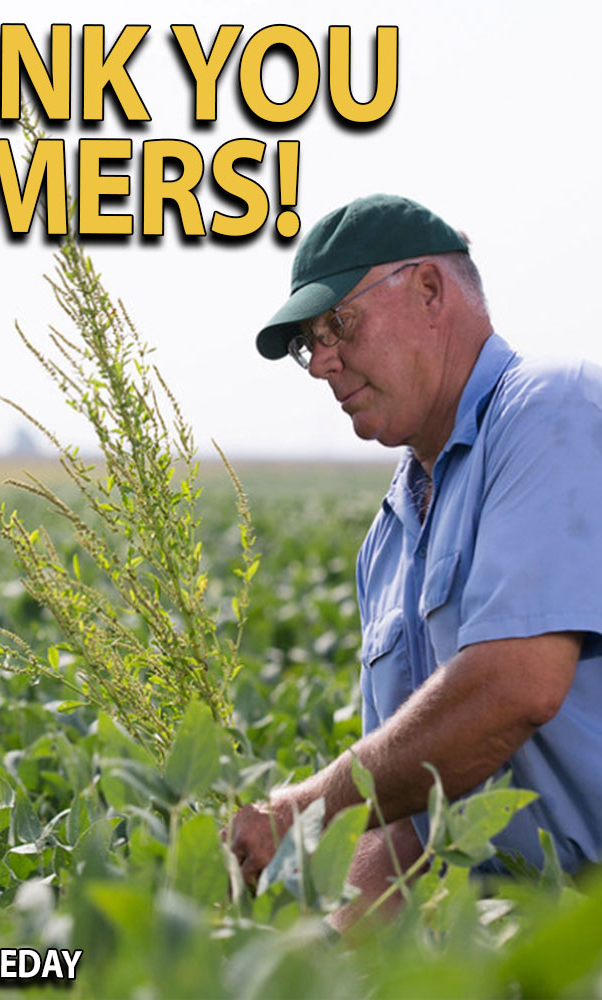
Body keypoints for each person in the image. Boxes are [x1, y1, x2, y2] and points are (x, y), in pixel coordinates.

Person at [229, 193, 602, 930]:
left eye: (338, 324)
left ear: (429, 290)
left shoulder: (551, 413)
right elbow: (404, 819)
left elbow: (515, 688)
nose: (320, 364)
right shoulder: (389, 539)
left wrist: (302, 811)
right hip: (506, 935)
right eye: (310, 342)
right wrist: (312, 960)